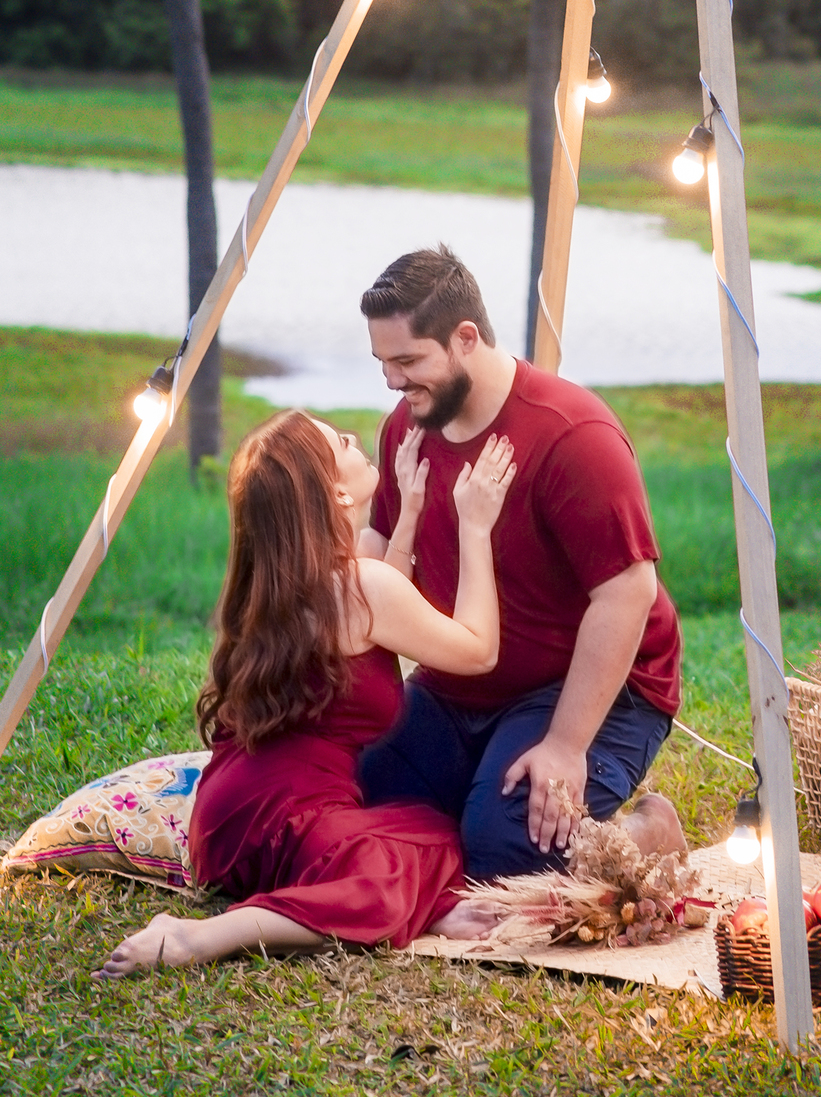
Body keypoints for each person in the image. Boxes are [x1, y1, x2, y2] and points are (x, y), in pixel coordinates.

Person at [97, 408, 517, 978]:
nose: (354, 438)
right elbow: (478, 650)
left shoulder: (283, 583)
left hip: (225, 821)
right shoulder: (360, 588)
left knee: (402, 836)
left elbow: (381, 620)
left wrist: (410, 511)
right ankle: (198, 938)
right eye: (341, 442)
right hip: (288, 819)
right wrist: (476, 525)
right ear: (336, 496)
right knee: (431, 841)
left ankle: (406, 907)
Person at [355, 245, 685, 880]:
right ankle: (476, 791)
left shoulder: (574, 435)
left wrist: (565, 747)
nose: (393, 383)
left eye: (407, 361)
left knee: (505, 853)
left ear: (465, 338)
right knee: (365, 800)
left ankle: (648, 832)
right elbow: (382, 549)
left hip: (593, 689)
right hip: (458, 681)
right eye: (382, 363)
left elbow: (628, 594)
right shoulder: (407, 427)